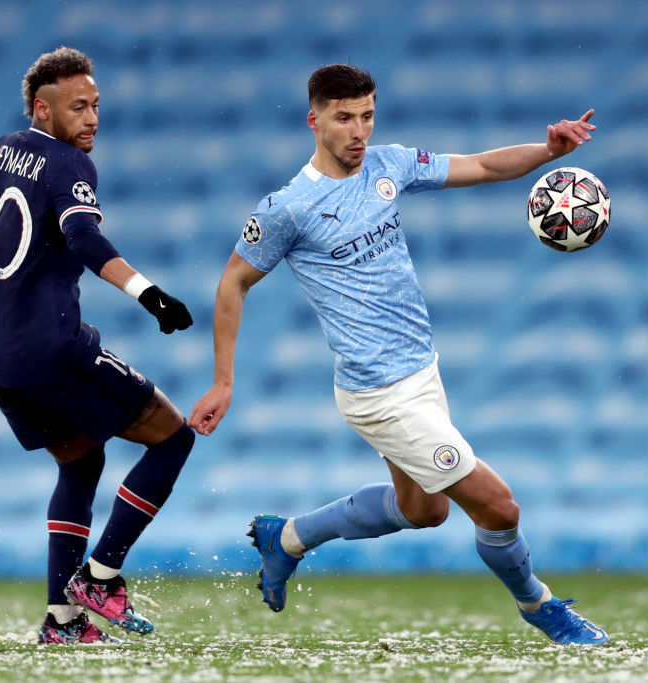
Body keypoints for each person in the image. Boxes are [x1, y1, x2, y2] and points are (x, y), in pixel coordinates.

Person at [190, 64, 608, 645]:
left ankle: (286, 538)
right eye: (343, 118)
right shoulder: (287, 208)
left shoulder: (387, 165)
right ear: (315, 122)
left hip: (421, 373)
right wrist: (223, 382)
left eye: (366, 116)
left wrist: (546, 150)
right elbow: (232, 283)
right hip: (378, 394)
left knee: (424, 511)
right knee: (500, 508)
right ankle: (537, 604)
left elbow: (483, 165)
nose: (358, 131)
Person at [0, 47, 196, 645]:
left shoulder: (2, 151)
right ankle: (101, 576)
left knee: (82, 459)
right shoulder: (68, 166)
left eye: (96, 106)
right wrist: (148, 293)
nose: (92, 119)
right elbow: (82, 236)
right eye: (78, 107)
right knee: (173, 435)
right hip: (55, 350)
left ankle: (61, 620)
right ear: (42, 108)